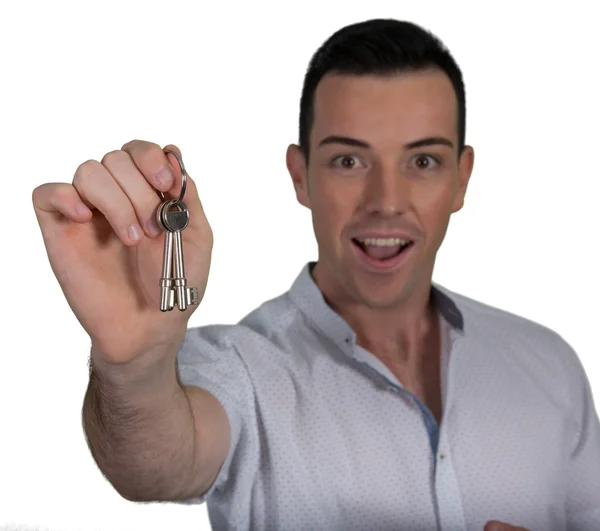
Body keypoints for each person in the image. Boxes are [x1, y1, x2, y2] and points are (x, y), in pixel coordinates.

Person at [32, 18, 599, 531]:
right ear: (300, 176)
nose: (386, 201)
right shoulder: (239, 371)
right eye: (349, 160)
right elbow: (153, 467)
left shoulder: (550, 365)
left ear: (460, 178)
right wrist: (134, 365)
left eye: (422, 161)